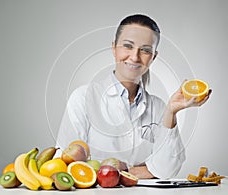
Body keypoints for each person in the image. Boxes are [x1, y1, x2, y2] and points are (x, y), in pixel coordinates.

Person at [55, 14, 212, 179]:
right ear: (114, 48)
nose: (135, 57)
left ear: (153, 57)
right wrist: (142, 170)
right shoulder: (83, 98)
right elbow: (66, 163)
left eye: (145, 50)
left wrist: (171, 112)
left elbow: (166, 170)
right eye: (128, 46)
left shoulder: (159, 108)